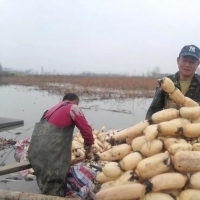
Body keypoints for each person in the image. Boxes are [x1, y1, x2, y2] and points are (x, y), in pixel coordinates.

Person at [28, 93, 94, 197]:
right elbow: (86, 130)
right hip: (51, 153)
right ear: (76, 102)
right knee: (55, 187)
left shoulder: (51, 109)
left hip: (34, 153)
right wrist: (88, 146)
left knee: (45, 184)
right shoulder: (73, 107)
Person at [146, 44, 200, 119]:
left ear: (197, 64)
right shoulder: (165, 83)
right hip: (168, 129)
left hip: (194, 129)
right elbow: (153, 111)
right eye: (184, 60)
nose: (187, 65)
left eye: (192, 62)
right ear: (178, 60)